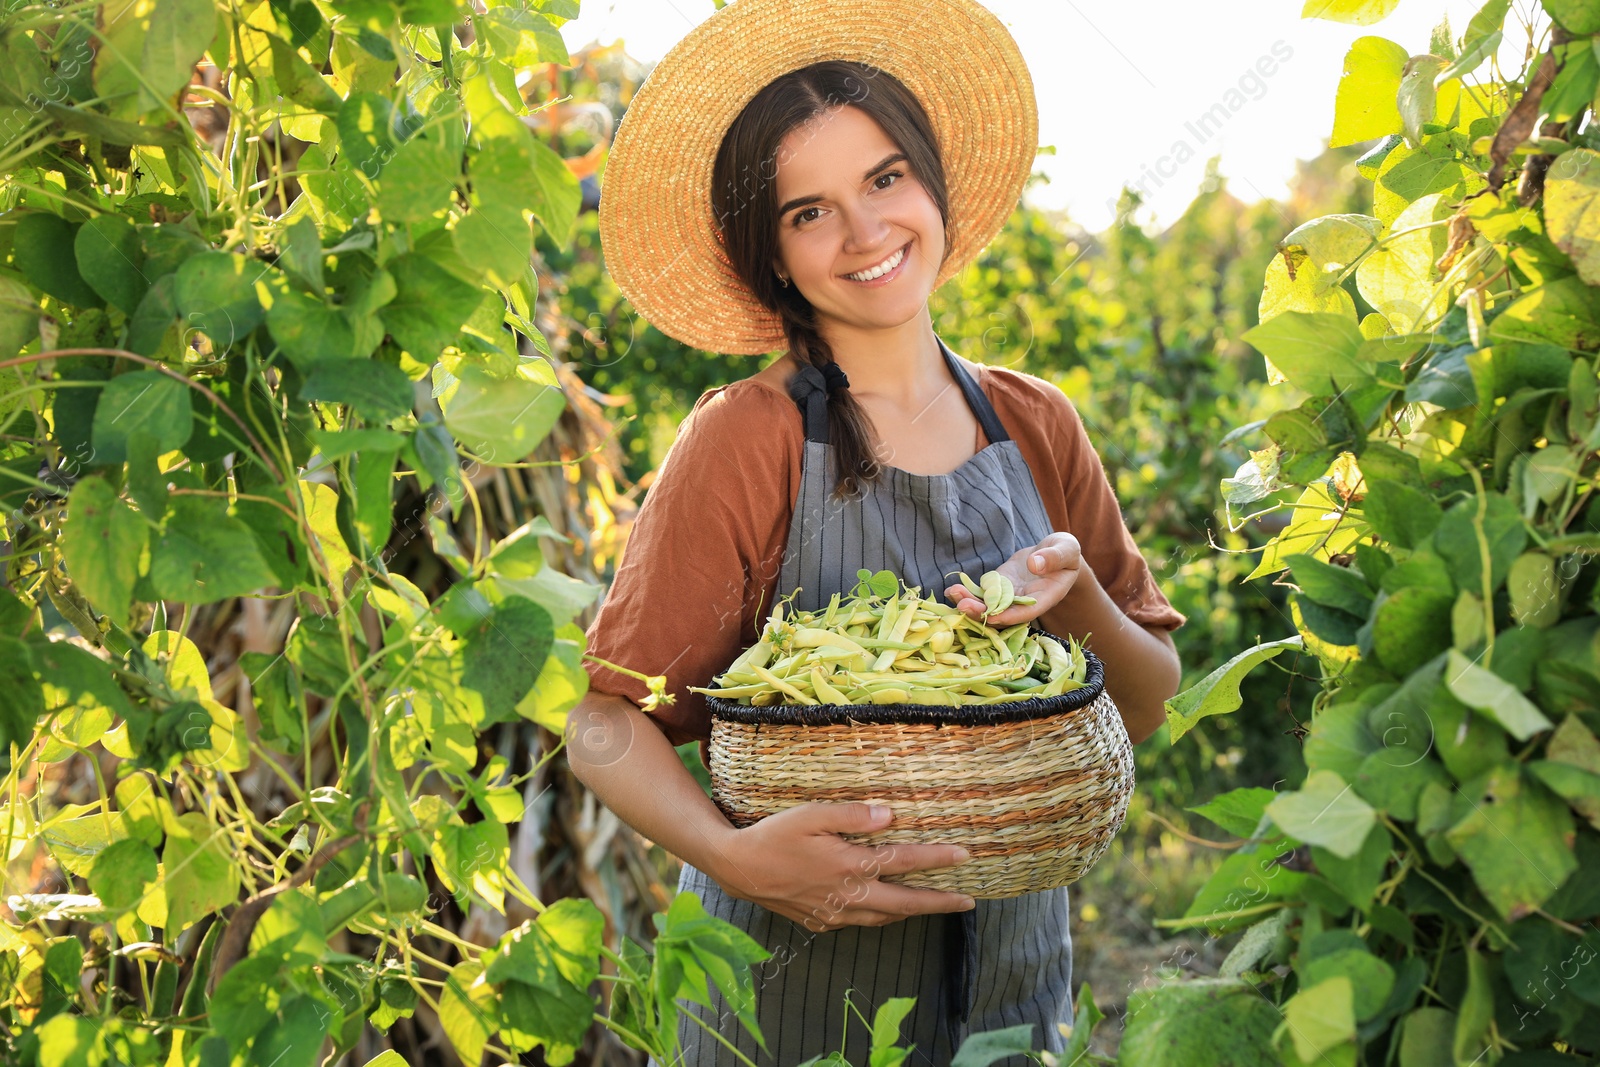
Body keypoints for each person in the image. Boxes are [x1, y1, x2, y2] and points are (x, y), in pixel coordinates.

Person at [566, 1, 1186, 1064]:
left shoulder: (1035, 422)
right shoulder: (746, 440)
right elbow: (600, 724)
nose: (864, 234)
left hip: (1013, 996)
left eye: (885, 179)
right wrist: (736, 854)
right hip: (783, 1003)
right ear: (770, 253)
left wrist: (1077, 592)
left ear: (934, 183)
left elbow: (1144, 701)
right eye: (809, 212)